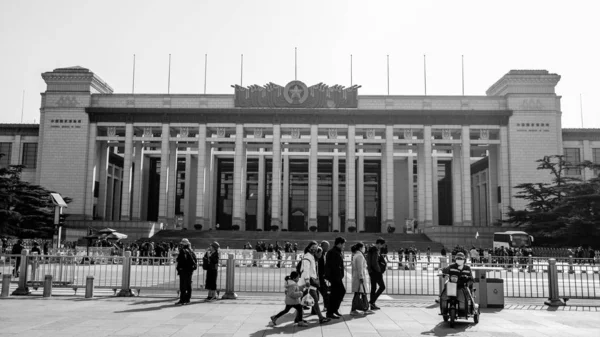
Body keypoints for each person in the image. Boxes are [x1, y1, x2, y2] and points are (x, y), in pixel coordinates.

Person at [300, 241, 330, 324]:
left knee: (300, 301)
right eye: (313, 247)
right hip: (308, 282)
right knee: (315, 300)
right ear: (309, 248)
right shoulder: (307, 257)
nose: (314, 249)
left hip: (310, 281)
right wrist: (307, 280)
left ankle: (297, 318)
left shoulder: (311, 257)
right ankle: (321, 318)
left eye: (315, 247)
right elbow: (306, 269)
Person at [325, 236, 345, 319]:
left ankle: (334, 309)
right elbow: (334, 267)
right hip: (335, 277)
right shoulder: (333, 252)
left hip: (337, 277)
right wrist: (337, 277)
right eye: (343, 244)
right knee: (337, 293)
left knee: (337, 293)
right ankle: (330, 312)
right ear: (339, 244)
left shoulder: (337, 251)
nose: (344, 246)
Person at [350, 242, 371, 316]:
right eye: (364, 247)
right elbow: (360, 268)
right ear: (360, 248)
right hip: (360, 277)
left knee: (361, 293)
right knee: (359, 293)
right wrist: (361, 277)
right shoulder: (359, 256)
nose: (364, 249)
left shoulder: (356, 255)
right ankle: (355, 309)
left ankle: (365, 308)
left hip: (358, 276)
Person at [175, 238, 197, 305]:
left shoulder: (183, 251)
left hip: (184, 270)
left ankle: (182, 300)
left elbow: (181, 260)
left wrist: (179, 268)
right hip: (190, 270)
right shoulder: (191, 250)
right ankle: (187, 299)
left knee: (183, 286)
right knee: (188, 285)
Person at [366, 238, 386, 310]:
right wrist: (379, 270)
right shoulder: (375, 250)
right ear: (379, 244)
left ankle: (372, 305)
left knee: (373, 288)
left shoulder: (371, 249)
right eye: (382, 245)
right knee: (382, 287)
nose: (382, 247)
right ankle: (372, 301)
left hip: (371, 271)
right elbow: (374, 262)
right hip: (376, 272)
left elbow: (369, 261)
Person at [318, 240, 330, 312]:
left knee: (317, 293)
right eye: (326, 246)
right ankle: (326, 307)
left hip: (320, 276)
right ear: (322, 246)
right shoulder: (320, 254)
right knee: (324, 292)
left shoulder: (323, 254)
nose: (328, 248)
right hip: (319, 277)